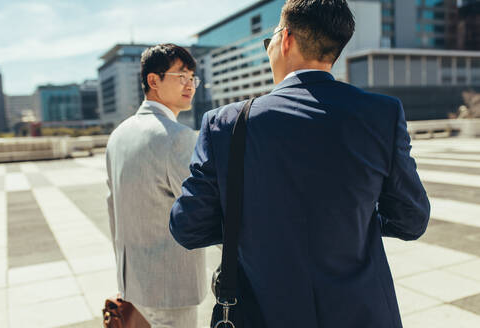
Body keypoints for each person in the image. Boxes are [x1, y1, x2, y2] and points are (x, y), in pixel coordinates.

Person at [169, 1, 430, 327]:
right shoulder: (383, 114)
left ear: (286, 38)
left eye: (270, 42)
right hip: (363, 313)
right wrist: (351, 218)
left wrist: (253, 227)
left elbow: (187, 226)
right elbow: (411, 220)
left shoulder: (226, 124)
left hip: (265, 312)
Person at [106, 44, 207, 328]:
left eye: (193, 78)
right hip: (172, 287)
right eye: (181, 76)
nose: (190, 85)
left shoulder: (118, 135)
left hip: (133, 282)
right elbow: (200, 210)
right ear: (153, 80)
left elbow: (113, 210)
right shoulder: (177, 137)